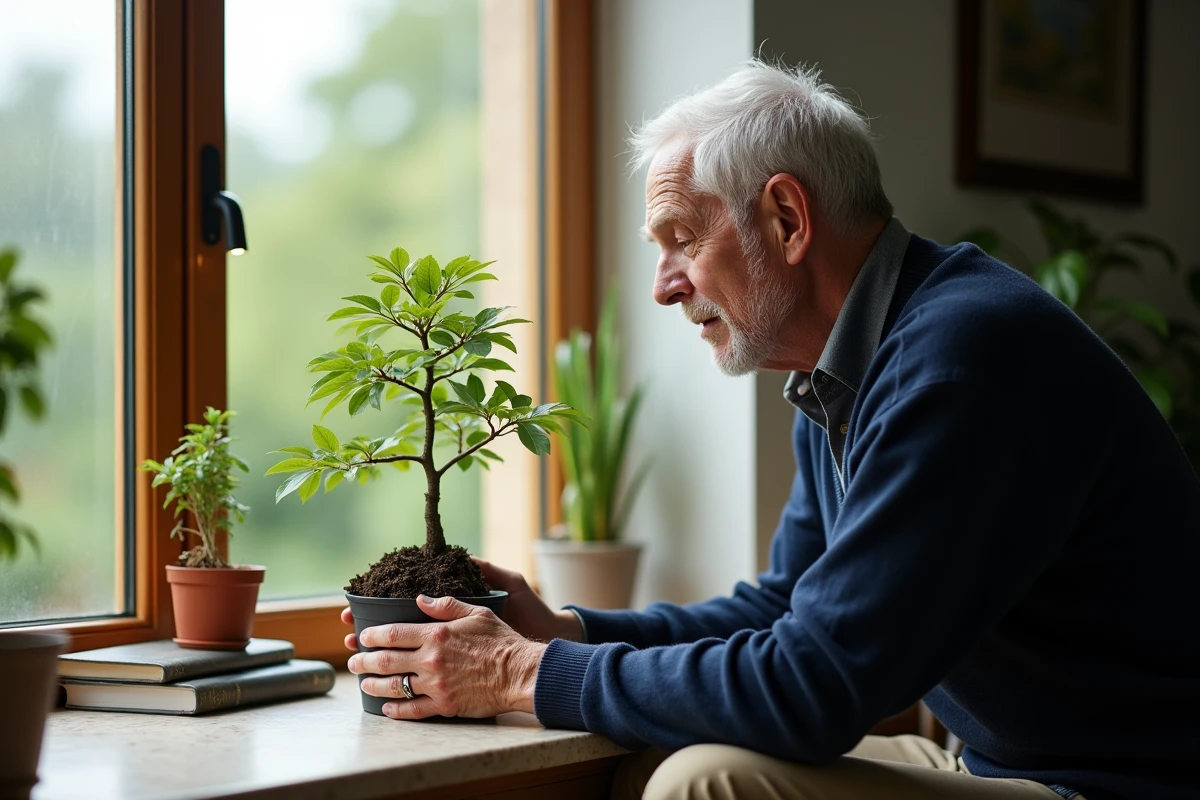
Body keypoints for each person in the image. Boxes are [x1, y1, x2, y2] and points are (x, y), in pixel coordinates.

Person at [342, 61, 1200, 800]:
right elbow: (788, 605)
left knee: (699, 783)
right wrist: (569, 634)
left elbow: (814, 685)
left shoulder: (959, 365)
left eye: (681, 239)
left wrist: (518, 672)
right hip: (1004, 766)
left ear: (788, 220)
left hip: (1112, 785)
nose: (663, 287)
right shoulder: (844, 367)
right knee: (661, 759)